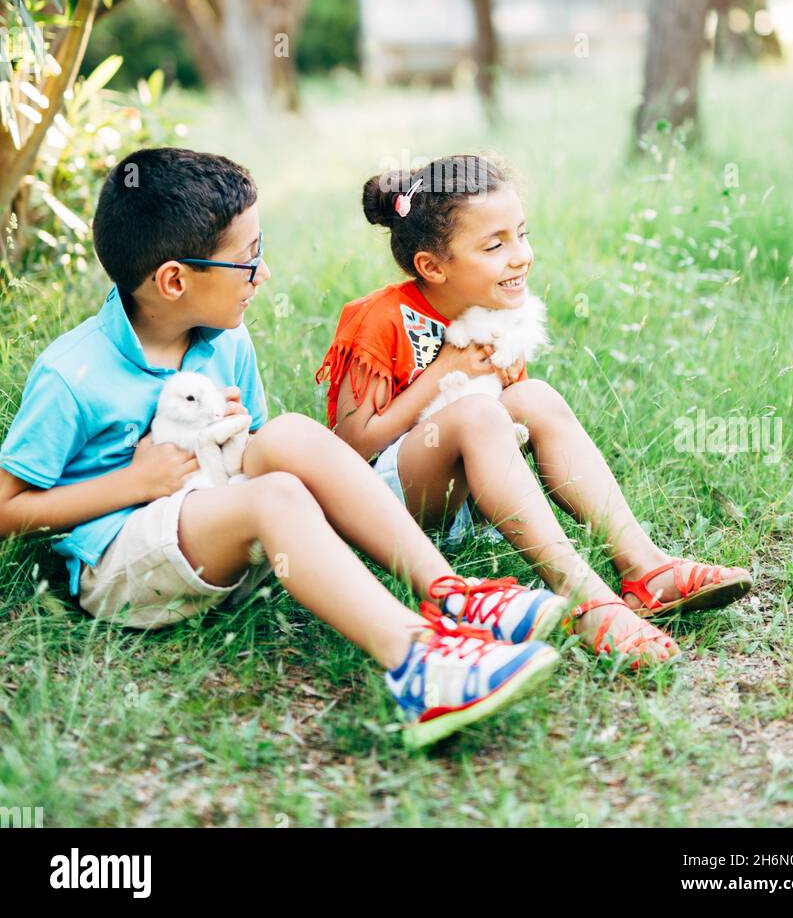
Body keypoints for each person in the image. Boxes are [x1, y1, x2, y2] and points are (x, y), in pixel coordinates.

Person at [0, 147, 563, 750]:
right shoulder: (72, 374)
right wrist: (132, 484)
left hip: (208, 526)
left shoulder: (225, 337)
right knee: (277, 496)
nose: (262, 273)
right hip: (124, 558)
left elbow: (266, 446)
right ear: (173, 280)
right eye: (248, 260)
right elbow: (8, 510)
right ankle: (417, 663)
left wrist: (240, 435)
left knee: (289, 433)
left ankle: (452, 596)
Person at [317, 154, 753, 668]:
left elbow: (509, 427)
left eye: (521, 234)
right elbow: (349, 450)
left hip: (470, 498)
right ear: (432, 267)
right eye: (495, 244)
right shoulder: (381, 319)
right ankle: (583, 597)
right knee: (480, 412)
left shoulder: (500, 314)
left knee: (534, 397)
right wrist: (443, 372)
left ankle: (644, 566)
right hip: (390, 505)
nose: (521, 255)